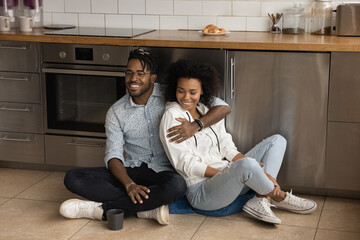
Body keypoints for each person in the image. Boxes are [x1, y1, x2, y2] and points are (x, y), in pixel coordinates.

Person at [59, 48, 231, 225]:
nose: (133, 79)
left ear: (153, 78)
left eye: (140, 73)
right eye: (129, 73)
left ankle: (102, 209)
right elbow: (113, 155)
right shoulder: (116, 112)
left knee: (178, 186)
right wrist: (129, 184)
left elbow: (223, 107)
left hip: (166, 171)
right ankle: (149, 206)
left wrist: (196, 125)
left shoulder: (173, 94)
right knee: (73, 177)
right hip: (133, 170)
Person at [159, 59, 317, 225]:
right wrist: (229, 173)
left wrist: (258, 174)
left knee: (277, 141)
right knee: (246, 165)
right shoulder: (172, 117)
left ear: (202, 91)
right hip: (202, 192)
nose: (186, 97)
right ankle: (279, 196)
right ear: (174, 90)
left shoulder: (206, 112)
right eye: (180, 91)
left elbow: (228, 148)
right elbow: (185, 165)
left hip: (227, 179)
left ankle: (260, 198)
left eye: (193, 92)